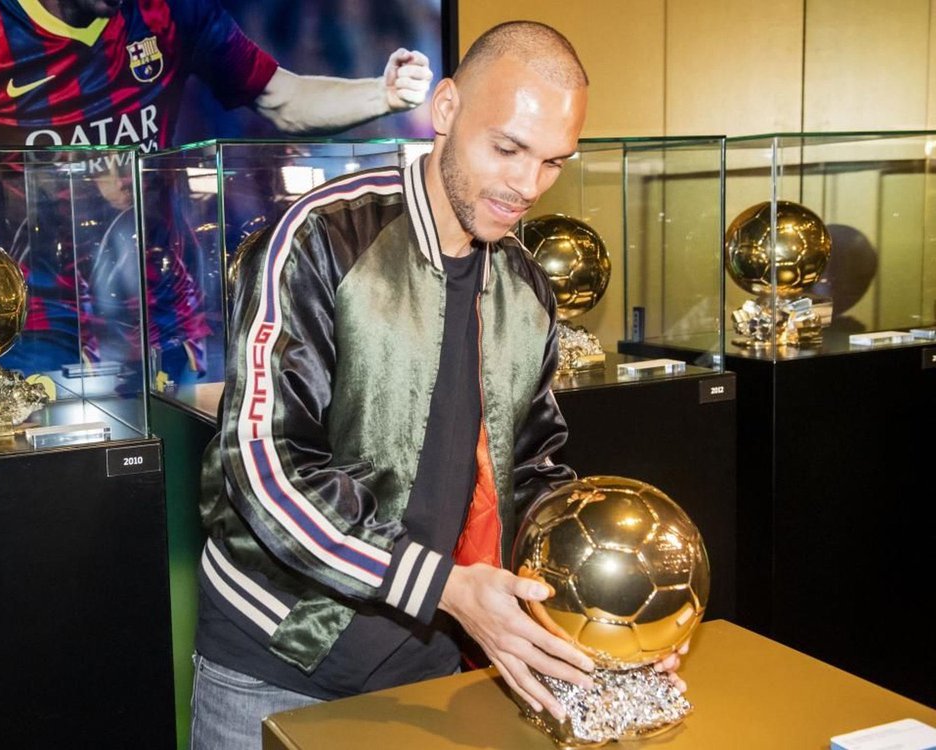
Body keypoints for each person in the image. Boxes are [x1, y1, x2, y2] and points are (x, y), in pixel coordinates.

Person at [191, 21, 685, 749]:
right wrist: (444, 587)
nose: (527, 186)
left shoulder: (525, 287)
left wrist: (605, 615)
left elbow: (531, 473)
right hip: (279, 660)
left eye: (553, 162)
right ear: (446, 108)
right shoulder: (322, 238)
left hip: (438, 663)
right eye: (507, 149)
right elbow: (266, 469)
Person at [0, 0, 434, 375]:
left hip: (166, 319)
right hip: (31, 331)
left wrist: (378, 94)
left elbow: (283, 97)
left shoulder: (170, 11)